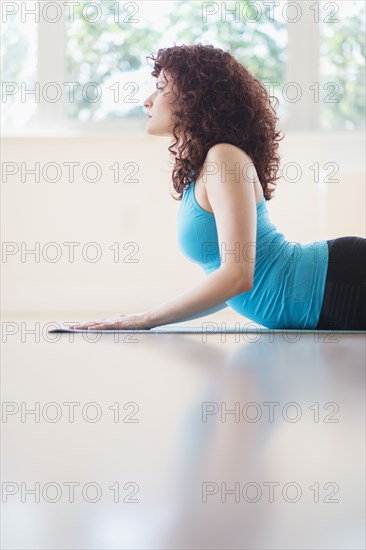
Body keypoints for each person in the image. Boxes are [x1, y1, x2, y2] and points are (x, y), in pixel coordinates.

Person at [71, 44, 366, 331]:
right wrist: (146, 318)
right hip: (328, 296)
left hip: (342, 281)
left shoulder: (223, 159)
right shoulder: (203, 168)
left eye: (160, 88)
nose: (147, 100)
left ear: (193, 97)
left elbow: (238, 277)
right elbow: (231, 282)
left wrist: (148, 319)